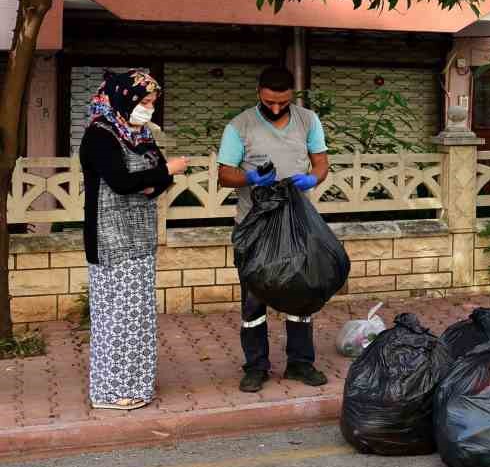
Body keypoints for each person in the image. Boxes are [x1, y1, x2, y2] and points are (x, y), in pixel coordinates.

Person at [78, 71, 190, 410]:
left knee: (138, 319)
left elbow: (151, 181)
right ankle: (110, 391)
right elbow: (123, 181)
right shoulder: (101, 135)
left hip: (140, 238)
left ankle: (136, 386)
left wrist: (155, 179)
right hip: (111, 241)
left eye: (152, 103)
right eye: (144, 102)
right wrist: (165, 172)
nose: (149, 109)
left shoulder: (138, 134)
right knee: (115, 319)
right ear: (125, 99)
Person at [217, 65, 331, 392]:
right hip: (255, 227)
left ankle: (300, 363)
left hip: (297, 223)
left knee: (302, 292)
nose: (277, 108)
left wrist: (313, 177)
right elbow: (225, 174)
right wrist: (250, 177)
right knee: (254, 299)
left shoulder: (308, 120)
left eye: (283, 101)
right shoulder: (239, 126)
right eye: (270, 102)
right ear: (259, 94)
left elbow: (321, 162)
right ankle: (256, 367)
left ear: (292, 95)